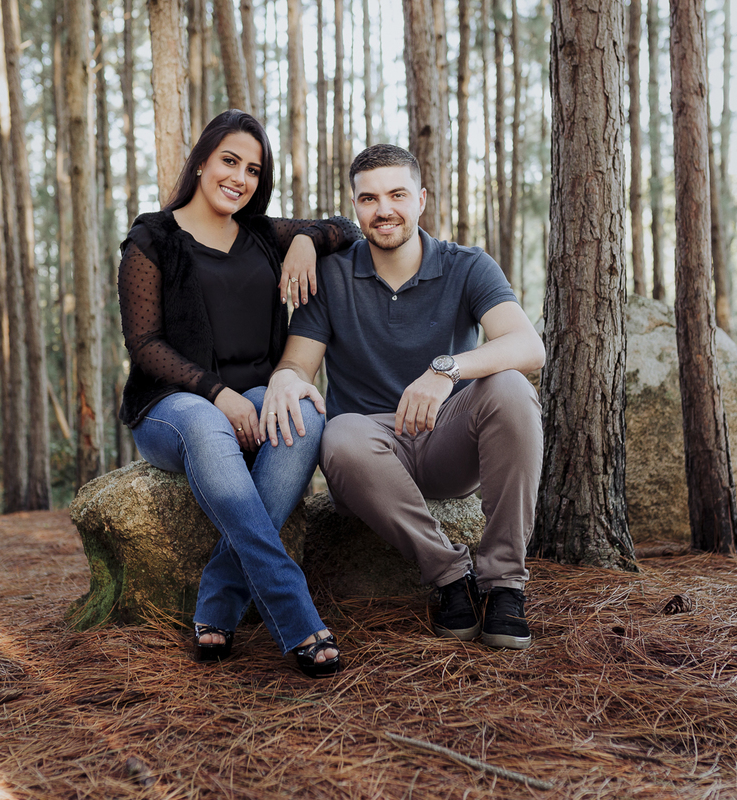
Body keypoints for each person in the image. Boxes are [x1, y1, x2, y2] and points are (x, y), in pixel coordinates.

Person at [261, 144, 545, 650]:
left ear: (421, 200)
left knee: (510, 386)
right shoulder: (331, 276)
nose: (383, 209)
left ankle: (504, 584)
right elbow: (297, 365)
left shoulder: (467, 265)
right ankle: (450, 576)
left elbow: (528, 347)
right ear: (355, 208)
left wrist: (446, 370)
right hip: (368, 457)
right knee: (341, 430)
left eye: (397, 194)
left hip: (448, 444)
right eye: (368, 199)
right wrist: (285, 376)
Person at [117, 110, 361, 677]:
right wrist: (217, 393)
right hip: (171, 407)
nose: (240, 177)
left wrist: (302, 242)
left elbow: (344, 230)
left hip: (256, 394)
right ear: (201, 161)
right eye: (230, 161)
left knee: (302, 410)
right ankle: (295, 613)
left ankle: (218, 604)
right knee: (205, 422)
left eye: (253, 169)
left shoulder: (260, 235)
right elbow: (144, 344)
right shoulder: (152, 238)